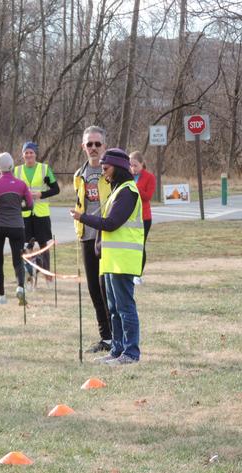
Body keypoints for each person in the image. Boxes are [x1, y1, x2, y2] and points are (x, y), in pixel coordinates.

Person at [70, 148, 143, 365]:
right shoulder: (116, 190)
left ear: (118, 168)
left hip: (123, 260)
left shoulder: (128, 192)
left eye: (106, 169)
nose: (103, 173)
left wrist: (83, 218)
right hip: (111, 260)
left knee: (125, 308)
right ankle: (117, 349)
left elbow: (111, 223)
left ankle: (131, 353)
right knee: (113, 308)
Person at [73, 126, 112, 353]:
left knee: (107, 288)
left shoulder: (112, 172)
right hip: (87, 237)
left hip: (107, 236)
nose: (94, 148)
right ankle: (105, 338)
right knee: (94, 290)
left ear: (104, 145)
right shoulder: (79, 174)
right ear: (83, 147)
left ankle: (117, 336)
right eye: (90, 144)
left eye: (98, 144)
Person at [0, 152, 33, 305]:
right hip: (17, 225)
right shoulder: (21, 184)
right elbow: (30, 205)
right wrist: (19, 208)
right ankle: (20, 287)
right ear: (12, 165)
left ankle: (1, 296)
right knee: (18, 259)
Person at [14, 141, 60, 278]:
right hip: (25, 213)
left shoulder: (44, 169)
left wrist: (41, 194)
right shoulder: (17, 170)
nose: (29, 155)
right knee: (26, 245)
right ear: (23, 155)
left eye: (31, 152)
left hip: (41, 212)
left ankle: (47, 275)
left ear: (35, 154)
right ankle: (29, 275)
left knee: (43, 244)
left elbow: (56, 189)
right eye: (26, 153)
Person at [129, 151, 156, 284]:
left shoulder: (149, 177)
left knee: (140, 245)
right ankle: (129, 272)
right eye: (130, 165)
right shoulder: (127, 176)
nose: (133, 168)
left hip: (144, 217)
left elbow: (148, 196)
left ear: (142, 164)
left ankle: (138, 275)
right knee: (130, 245)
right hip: (129, 217)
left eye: (135, 165)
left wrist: (134, 188)